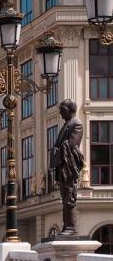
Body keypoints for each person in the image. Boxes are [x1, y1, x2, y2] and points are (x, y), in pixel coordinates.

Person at [51, 99, 84, 235]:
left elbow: (71, 144)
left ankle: (71, 227)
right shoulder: (66, 125)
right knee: (65, 197)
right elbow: (60, 144)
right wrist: (55, 149)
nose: (60, 113)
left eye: (63, 110)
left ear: (70, 110)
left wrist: (57, 149)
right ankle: (67, 226)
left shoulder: (76, 124)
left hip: (69, 166)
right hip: (63, 166)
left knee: (70, 196)